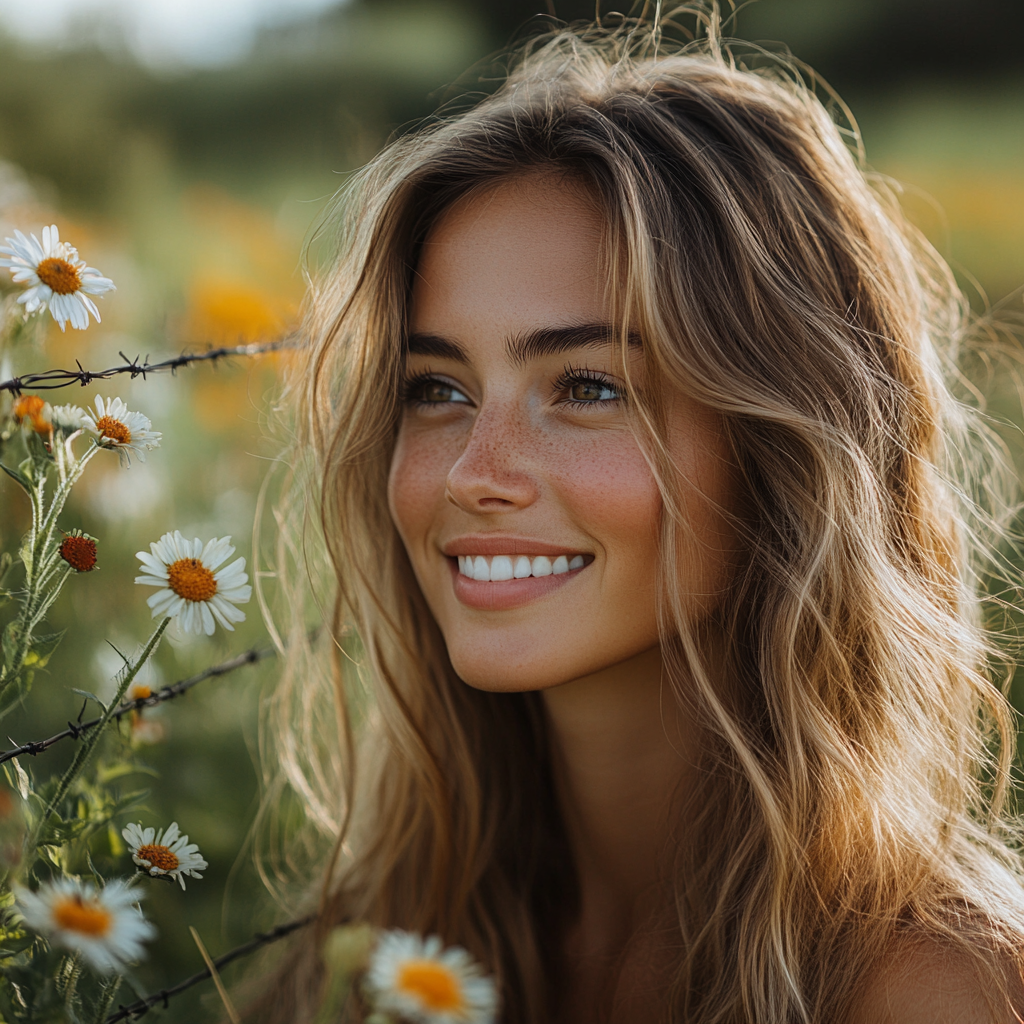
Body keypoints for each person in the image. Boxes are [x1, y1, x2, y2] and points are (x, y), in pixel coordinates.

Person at [256, 8, 1024, 1022]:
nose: (474, 475)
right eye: (436, 390)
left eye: (587, 387)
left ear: (784, 446)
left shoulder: (929, 986)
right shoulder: (383, 946)